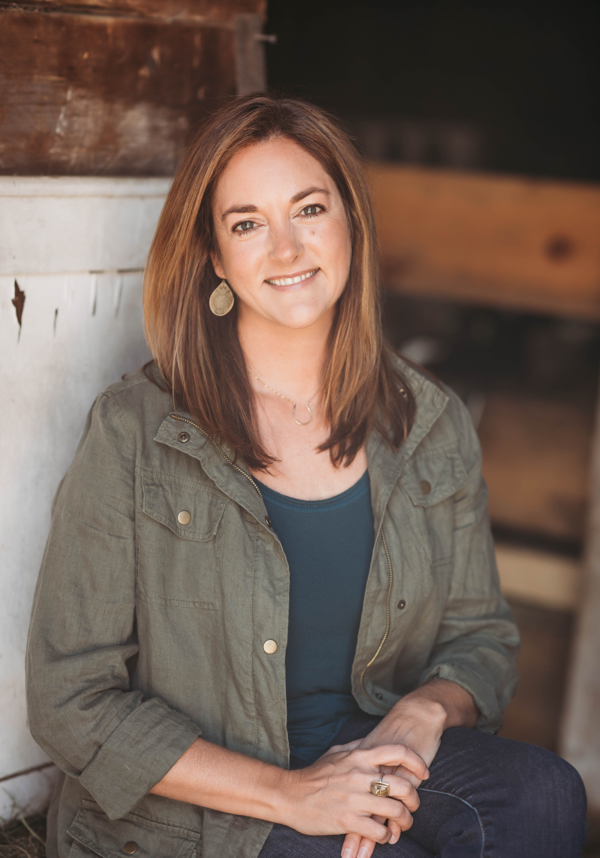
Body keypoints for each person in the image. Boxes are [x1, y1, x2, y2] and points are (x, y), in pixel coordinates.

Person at [26, 95, 587, 858]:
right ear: (216, 260)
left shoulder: (427, 422)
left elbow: (480, 640)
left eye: (310, 209)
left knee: (547, 795)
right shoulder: (137, 431)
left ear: (350, 222)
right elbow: (70, 700)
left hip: (365, 747)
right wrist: (293, 794)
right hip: (205, 803)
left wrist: (423, 712)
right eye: (248, 223)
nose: (287, 249)